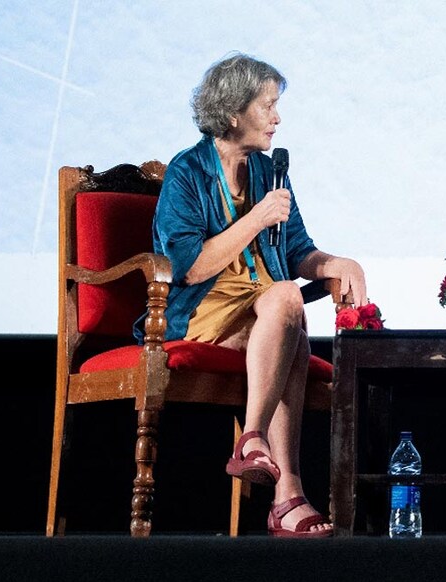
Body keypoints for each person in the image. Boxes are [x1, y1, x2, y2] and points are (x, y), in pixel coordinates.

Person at [135, 52, 369, 537]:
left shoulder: (268, 172)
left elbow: (298, 249)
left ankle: (263, 458)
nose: (277, 118)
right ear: (232, 112)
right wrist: (257, 218)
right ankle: (279, 483)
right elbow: (188, 266)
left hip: (261, 305)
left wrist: (336, 264)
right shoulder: (187, 172)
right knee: (289, 319)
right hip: (201, 309)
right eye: (268, 106)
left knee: (287, 314)